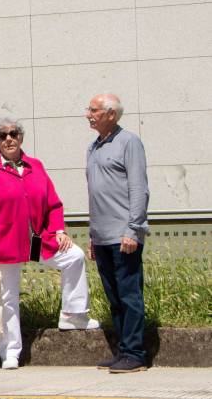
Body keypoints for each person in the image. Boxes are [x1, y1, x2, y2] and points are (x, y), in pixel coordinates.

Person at [0, 117, 100, 370]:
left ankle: (72, 314)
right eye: (2, 136)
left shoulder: (36, 166)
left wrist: (59, 230)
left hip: (39, 240)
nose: (9, 139)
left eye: (13, 134)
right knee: (7, 299)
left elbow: (53, 204)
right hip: (4, 242)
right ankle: (10, 352)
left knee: (75, 257)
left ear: (21, 137)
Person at [85, 93, 150, 374]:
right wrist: (92, 235)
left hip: (124, 235)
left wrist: (133, 230)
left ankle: (135, 354)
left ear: (111, 114)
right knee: (114, 297)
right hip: (102, 236)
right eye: (88, 109)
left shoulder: (129, 142)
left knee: (129, 296)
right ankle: (124, 350)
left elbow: (139, 188)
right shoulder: (92, 147)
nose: (88, 114)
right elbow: (96, 195)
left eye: (94, 110)